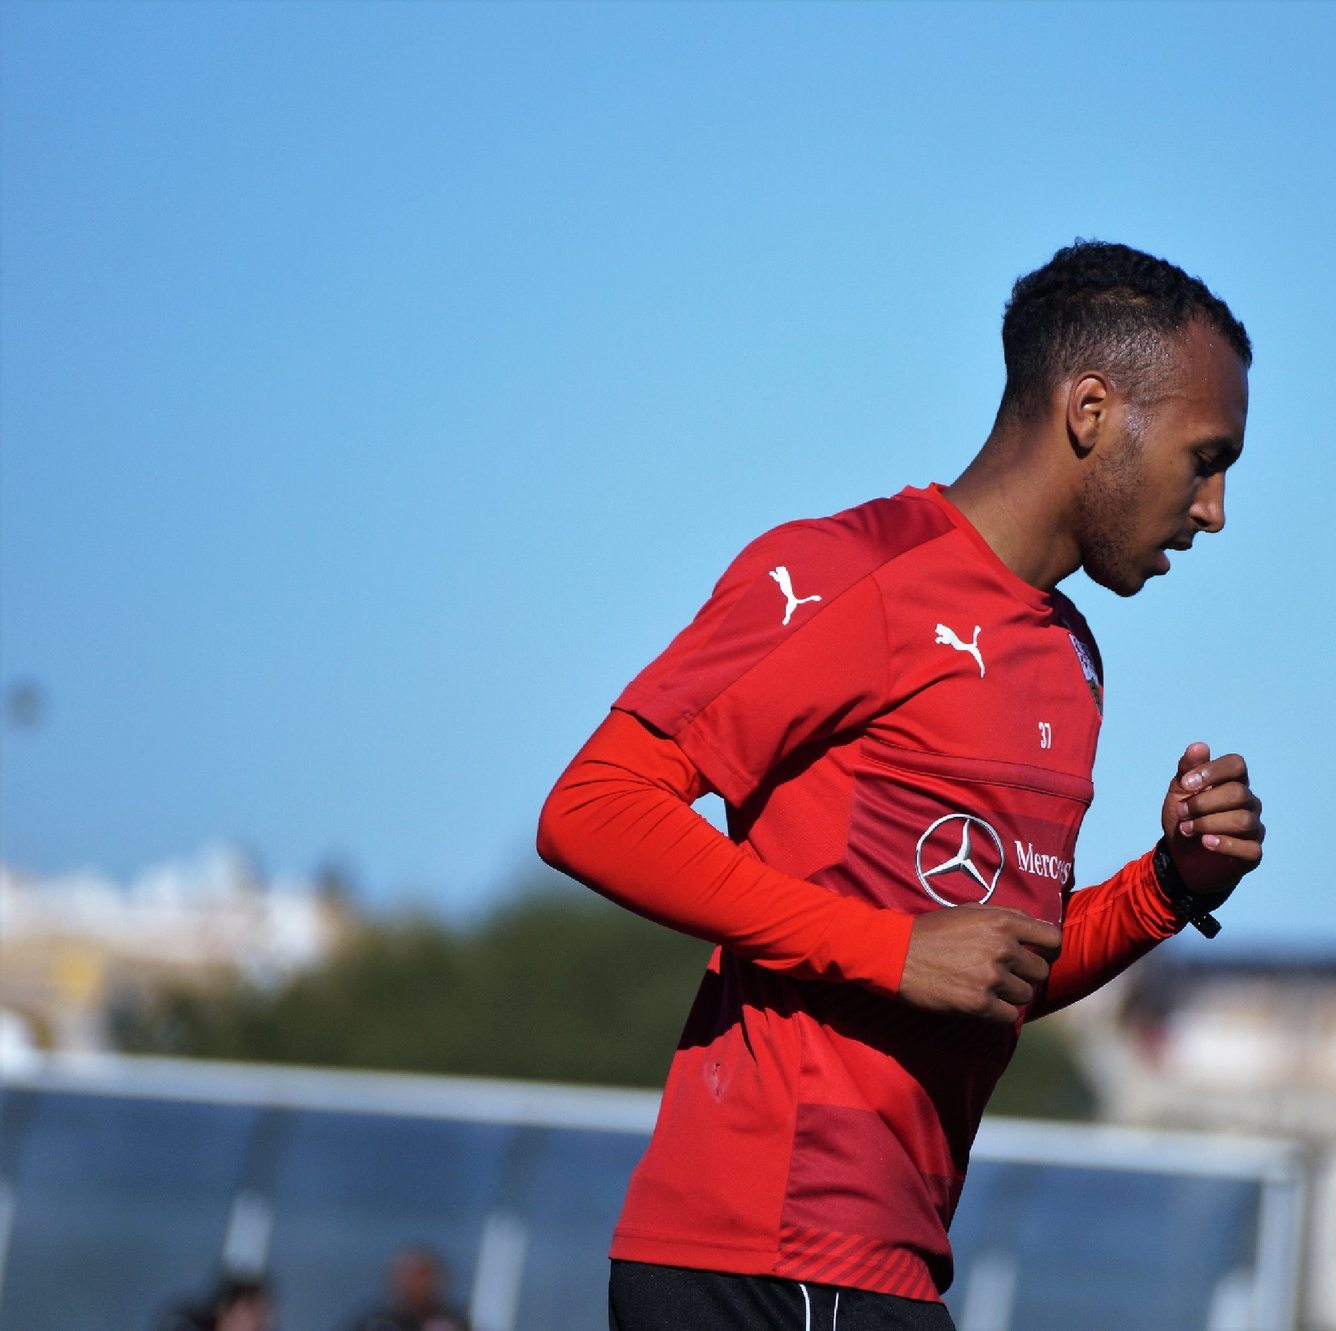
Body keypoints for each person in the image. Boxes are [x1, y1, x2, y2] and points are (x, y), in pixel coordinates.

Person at [539, 240, 1267, 1331]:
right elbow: (593, 807)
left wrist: (1167, 886)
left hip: (887, 1268)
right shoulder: (851, 570)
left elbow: (988, 973)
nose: (1213, 509)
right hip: (751, 1261)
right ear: (1090, 411)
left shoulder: (1069, 656)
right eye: (1205, 458)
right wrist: (889, 950)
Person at [344, 1246, 468, 1331]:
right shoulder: (374, 1323)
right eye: (403, 1274)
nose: (410, 1282)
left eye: (419, 1275)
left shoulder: (454, 1322)